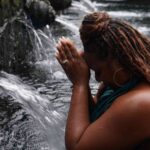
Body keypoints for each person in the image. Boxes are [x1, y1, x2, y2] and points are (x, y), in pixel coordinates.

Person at [55, 11, 150, 150]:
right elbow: (96, 123)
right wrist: (83, 83)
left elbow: (77, 147)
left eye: (98, 71)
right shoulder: (117, 86)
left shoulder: (140, 103)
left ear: (116, 61)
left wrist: (79, 84)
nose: (97, 78)